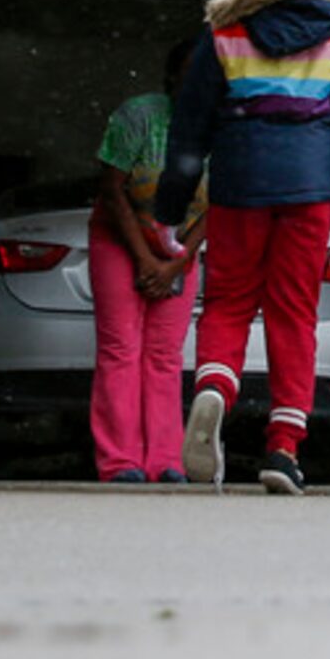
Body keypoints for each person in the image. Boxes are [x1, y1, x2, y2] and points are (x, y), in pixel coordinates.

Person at [154, 0, 330, 495]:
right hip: (308, 195)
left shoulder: (226, 35)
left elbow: (190, 129)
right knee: (294, 314)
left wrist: (169, 211)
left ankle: (215, 387)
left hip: (238, 188)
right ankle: (283, 449)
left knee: (229, 303)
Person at [89, 38, 208, 483]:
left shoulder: (226, 127)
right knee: (121, 347)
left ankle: (165, 461)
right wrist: (143, 259)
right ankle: (120, 462)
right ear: (174, 75)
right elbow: (112, 188)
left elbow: (221, 204)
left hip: (179, 248)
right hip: (121, 239)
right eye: (192, 71)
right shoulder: (139, 115)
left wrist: (177, 263)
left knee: (164, 354)